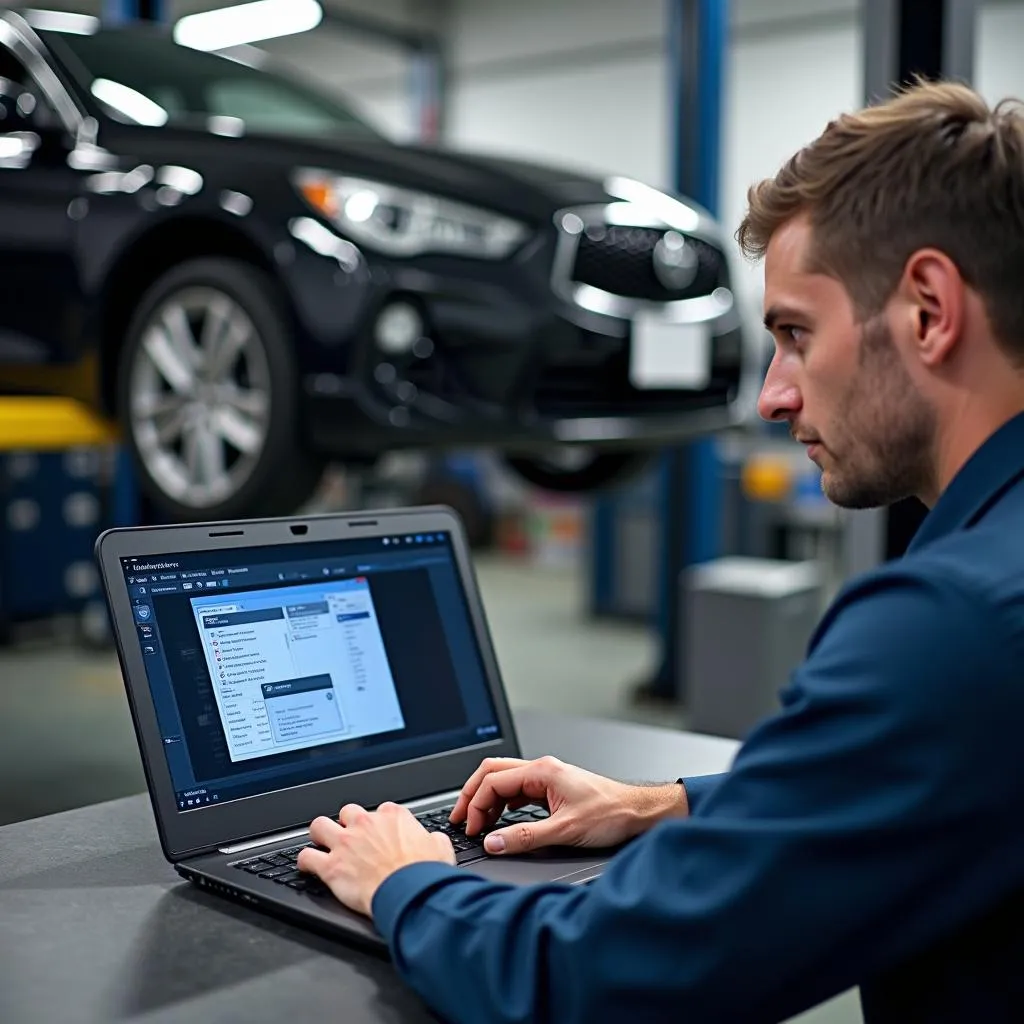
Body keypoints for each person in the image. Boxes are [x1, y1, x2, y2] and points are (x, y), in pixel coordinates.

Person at [297, 79, 1024, 1023]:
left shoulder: (952, 625)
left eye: (796, 335)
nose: (771, 395)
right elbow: (947, 772)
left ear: (928, 309)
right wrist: (661, 805)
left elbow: (599, 983)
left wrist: (408, 882)